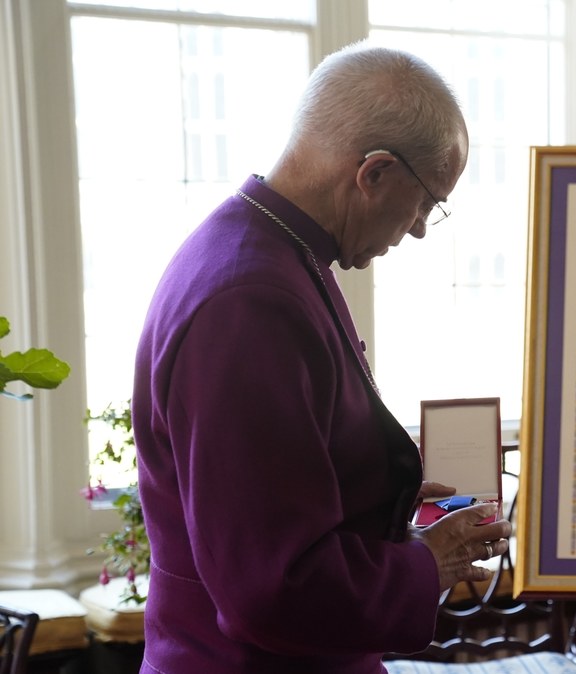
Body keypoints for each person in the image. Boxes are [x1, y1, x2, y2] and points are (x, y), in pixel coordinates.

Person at [132, 43, 511, 673]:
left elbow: (276, 479)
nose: (418, 228)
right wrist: (426, 563)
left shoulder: (263, 248)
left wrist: (382, 491)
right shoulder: (248, 300)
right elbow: (272, 585)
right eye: (426, 204)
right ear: (375, 173)